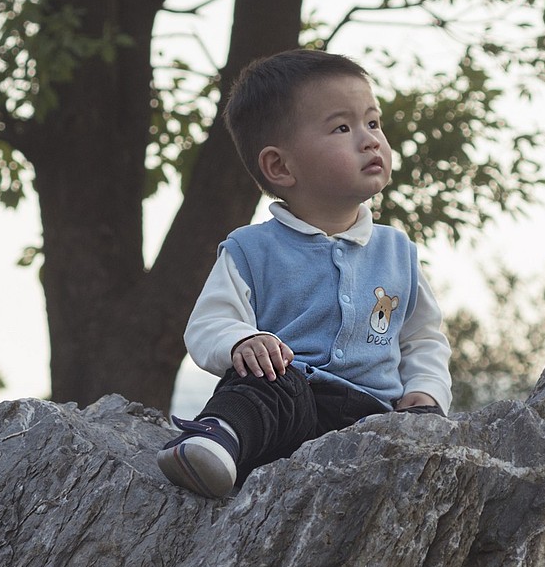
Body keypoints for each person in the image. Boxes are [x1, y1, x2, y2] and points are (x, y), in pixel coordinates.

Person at [157, 49, 452, 498]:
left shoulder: (398, 252)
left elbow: (423, 338)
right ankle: (215, 440)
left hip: (373, 415)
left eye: (373, 123)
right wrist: (242, 340)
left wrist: (426, 391)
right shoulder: (251, 249)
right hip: (286, 407)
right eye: (342, 127)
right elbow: (209, 324)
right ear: (280, 166)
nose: (371, 140)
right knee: (262, 383)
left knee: (421, 435)